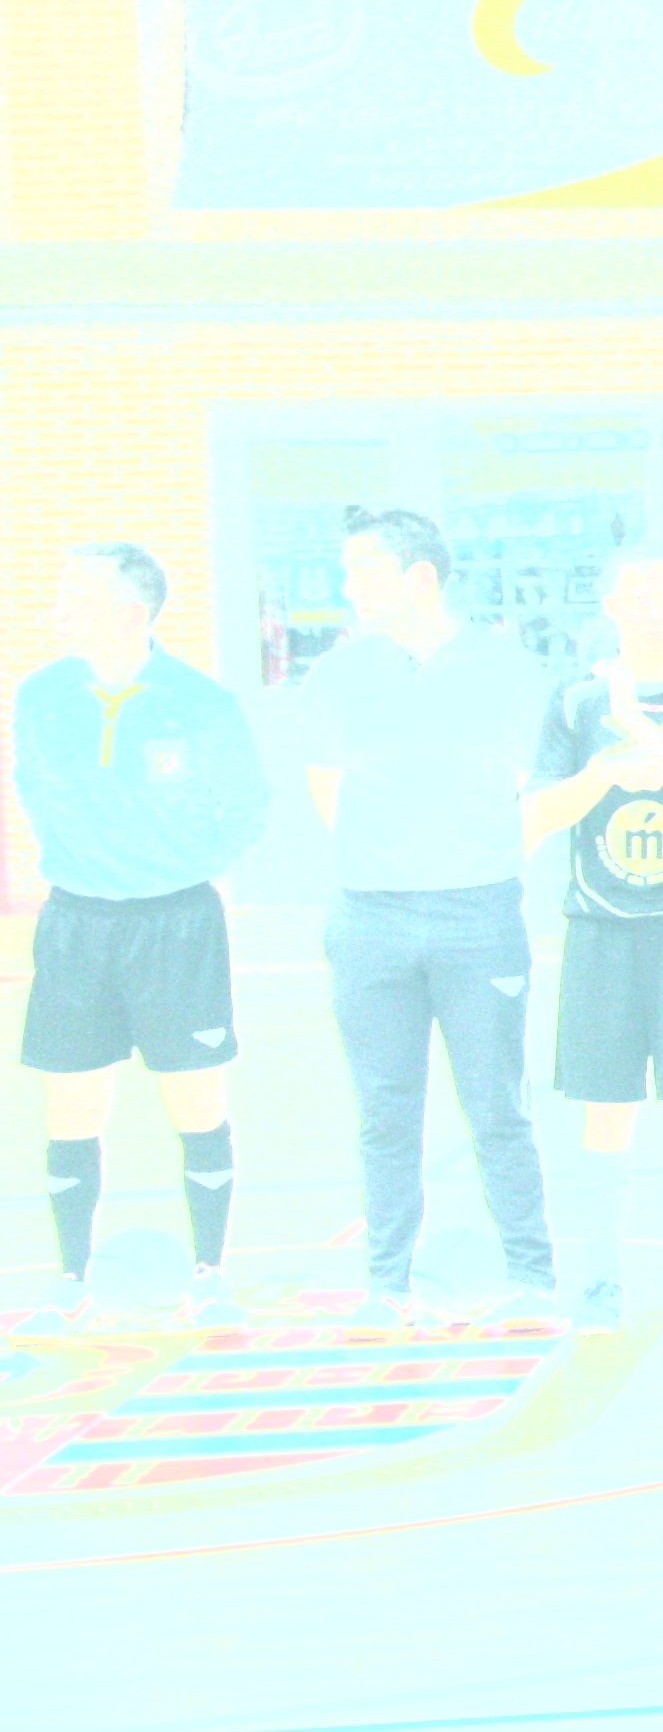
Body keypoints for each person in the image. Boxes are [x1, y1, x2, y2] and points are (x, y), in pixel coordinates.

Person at [302, 506, 558, 1331]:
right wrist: (388, 863)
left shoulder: (511, 672)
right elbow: (326, 788)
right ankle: (387, 1286)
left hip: (477, 917)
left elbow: (533, 789)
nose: (348, 589)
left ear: (419, 577)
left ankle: (532, 1276)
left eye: (363, 572)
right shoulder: (336, 677)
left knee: (498, 1108)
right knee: (384, 1112)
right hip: (368, 921)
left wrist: (465, 858)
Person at [17, 542, 270, 1329]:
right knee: (70, 1105)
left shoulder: (200, 703)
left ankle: (210, 1273)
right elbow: (32, 788)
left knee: (194, 1098)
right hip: (76, 923)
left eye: (77, 595)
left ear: (131, 613)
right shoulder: (41, 696)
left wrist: (176, 867)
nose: (59, 607)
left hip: (176, 925)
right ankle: (69, 1281)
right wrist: (86, 861)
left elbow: (247, 808)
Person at [524, 553, 663, 1335]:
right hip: (602, 931)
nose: (652, 608)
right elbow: (537, 815)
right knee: (606, 1115)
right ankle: (600, 1283)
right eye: (636, 596)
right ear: (610, 606)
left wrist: (647, 731)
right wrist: (607, 772)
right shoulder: (575, 700)